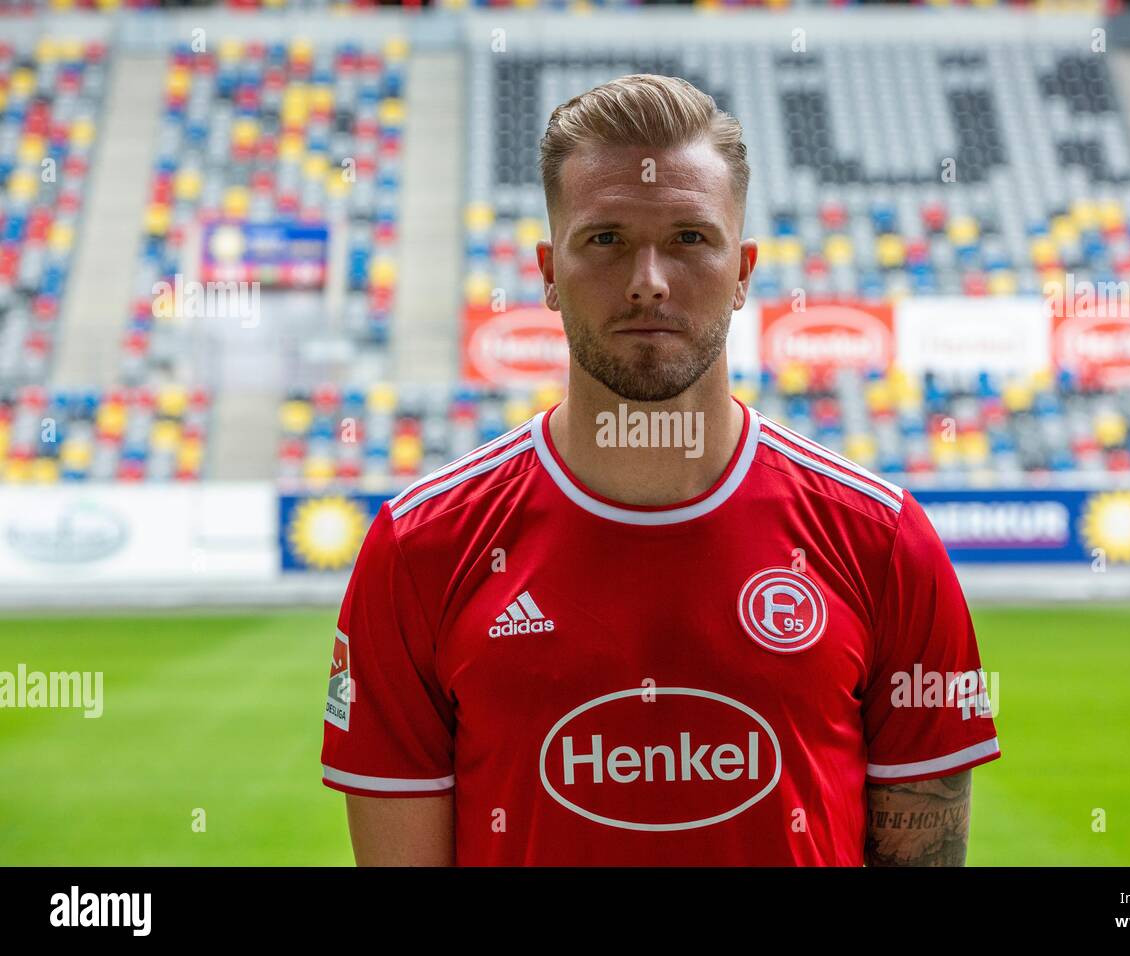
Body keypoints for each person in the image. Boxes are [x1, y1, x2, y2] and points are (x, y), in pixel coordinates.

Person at [321, 73, 999, 865]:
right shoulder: (420, 549)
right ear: (546, 269)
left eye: (689, 238)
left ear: (744, 271)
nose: (648, 279)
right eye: (605, 239)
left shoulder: (883, 542)